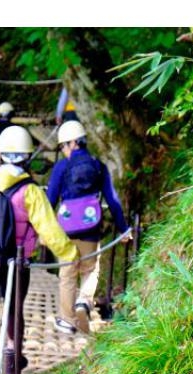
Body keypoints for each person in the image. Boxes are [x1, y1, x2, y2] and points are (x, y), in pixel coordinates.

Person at [0, 125, 79, 374]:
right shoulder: (30, 191)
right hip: (16, 261)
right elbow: (49, 229)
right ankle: (12, 363)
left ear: (0, 153)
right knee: (13, 310)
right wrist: (69, 253)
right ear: (27, 156)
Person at [46, 120, 132, 335]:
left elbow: (49, 200)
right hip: (90, 228)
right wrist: (123, 229)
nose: (63, 151)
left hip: (65, 230)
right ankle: (83, 302)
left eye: (63, 146)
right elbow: (113, 200)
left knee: (67, 273)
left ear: (72, 143)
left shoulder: (62, 167)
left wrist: (44, 231)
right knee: (90, 269)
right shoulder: (97, 165)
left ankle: (67, 320)